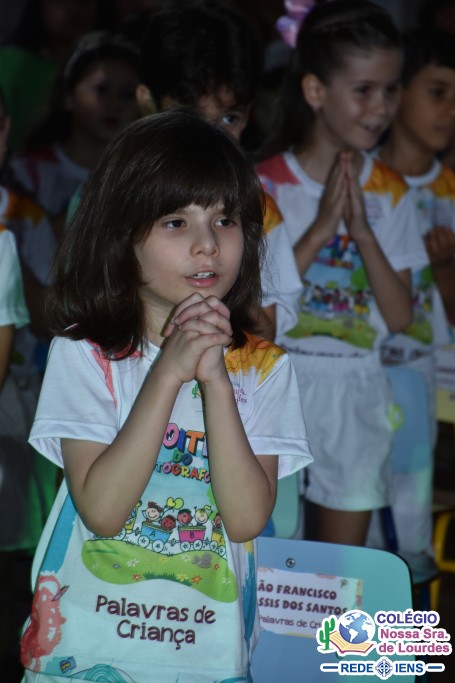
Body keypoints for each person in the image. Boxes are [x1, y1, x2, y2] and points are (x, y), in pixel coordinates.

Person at [20, 108, 313, 682]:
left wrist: (215, 380)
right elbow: (102, 511)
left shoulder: (263, 368)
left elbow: (247, 518)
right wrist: (167, 373)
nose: (208, 246)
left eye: (225, 220)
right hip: (84, 652)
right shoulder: (84, 355)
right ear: (121, 236)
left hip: (207, 658)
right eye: (176, 222)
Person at [256, 0, 428, 546]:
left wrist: (362, 232)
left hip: (357, 388)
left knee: (338, 568)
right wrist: (321, 228)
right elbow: (255, 313)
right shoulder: (263, 185)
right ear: (314, 91)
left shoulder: (390, 192)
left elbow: (399, 317)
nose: (381, 107)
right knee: (266, 552)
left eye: (391, 89)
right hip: (273, 382)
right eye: (364, 90)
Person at [366, 27, 455, 556]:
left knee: (407, 515)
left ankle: (402, 611)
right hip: (347, 372)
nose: (451, 110)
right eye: (437, 92)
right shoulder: (356, 183)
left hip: (421, 377)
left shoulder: (450, 193)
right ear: (396, 94)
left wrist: (442, 268)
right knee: (340, 507)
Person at [10, 30, 141, 239]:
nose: (115, 104)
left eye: (127, 94)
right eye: (101, 89)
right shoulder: (27, 172)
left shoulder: (141, 174)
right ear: (67, 97)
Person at [0, 0, 116, 152]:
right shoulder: (8, 63)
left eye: (84, 1)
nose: (74, 10)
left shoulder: (117, 66)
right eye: (62, 1)